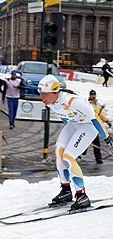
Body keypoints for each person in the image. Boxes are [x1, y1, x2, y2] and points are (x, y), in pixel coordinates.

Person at [38, 74, 113, 210]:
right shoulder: (50, 102)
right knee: (59, 151)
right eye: (40, 94)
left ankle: (82, 195)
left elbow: (96, 119)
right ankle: (66, 190)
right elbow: (65, 117)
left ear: (55, 92)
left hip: (88, 126)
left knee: (69, 156)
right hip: (74, 124)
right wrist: (73, 135)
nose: (41, 97)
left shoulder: (73, 101)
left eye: (44, 94)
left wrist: (108, 139)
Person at [82, 90, 112, 164]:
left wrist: (106, 121)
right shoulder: (87, 104)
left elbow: (99, 115)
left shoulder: (97, 105)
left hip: (95, 127)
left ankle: (98, 158)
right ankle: (80, 154)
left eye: (94, 95)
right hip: (88, 125)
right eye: (92, 95)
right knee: (85, 142)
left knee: (96, 142)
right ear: (89, 95)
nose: (93, 96)